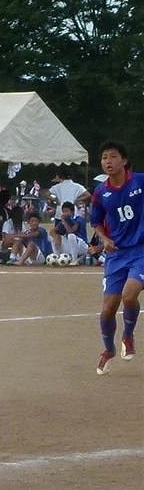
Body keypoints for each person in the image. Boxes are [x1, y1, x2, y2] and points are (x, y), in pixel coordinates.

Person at [89, 141, 142, 375]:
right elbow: (95, 221)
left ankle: (128, 335)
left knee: (129, 295)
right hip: (116, 255)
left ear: (124, 160)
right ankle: (108, 350)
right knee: (108, 309)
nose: (108, 161)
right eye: (104, 158)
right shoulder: (101, 192)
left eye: (112, 156)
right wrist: (104, 239)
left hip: (140, 251)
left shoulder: (140, 182)